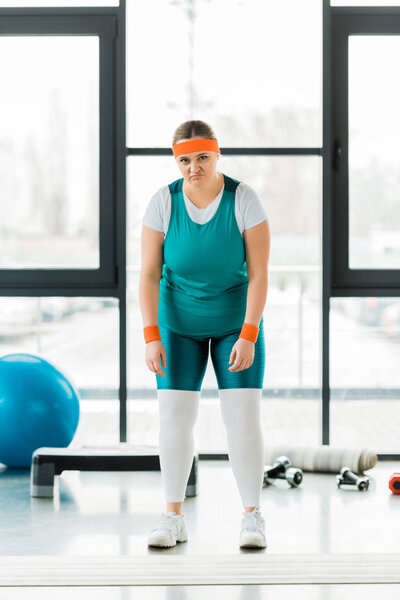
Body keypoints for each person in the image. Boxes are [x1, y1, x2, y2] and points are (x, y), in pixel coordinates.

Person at [139, 119, 270, 549]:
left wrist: (249, 333)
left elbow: (260, 273)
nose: (193, 167)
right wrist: (150, 335)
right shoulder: (163, 202)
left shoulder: (243, 199)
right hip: (177, 325)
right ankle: (173, 518)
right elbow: (147, 274)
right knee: (175, 418)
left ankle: (252, 516)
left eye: (201, 157)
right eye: (183, 160)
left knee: (242, 417)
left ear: (216, 155)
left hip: (236, 323)